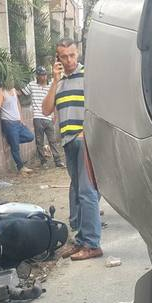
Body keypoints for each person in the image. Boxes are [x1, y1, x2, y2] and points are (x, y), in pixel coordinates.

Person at [42, 38, 103, 261]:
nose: (69, 60)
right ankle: (82, 240)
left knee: (87, 192)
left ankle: (92, 244)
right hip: (68, 141)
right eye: (64, 56)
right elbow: (46, 109)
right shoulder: (58, 81)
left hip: (84, 140)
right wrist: (55, 80)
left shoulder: (88, 76)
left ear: (78, 54)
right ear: (57, 58)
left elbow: (101, 105)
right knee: (78, 192)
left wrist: (87, 132)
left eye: (72, 55)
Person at [23, 67, 63, 169]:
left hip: (48, 117)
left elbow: (53, 101)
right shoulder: (32, 85)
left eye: (45, 74)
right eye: (41, 75)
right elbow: (22, 92)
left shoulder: (50, 86)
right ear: (37, 76)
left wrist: (54, 115)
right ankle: (43, 161)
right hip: (37, 117)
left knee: (52, 140)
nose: (44, 77)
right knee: (39, 141)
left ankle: (57, 161)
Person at [0, 78, 35, 174]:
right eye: (10, 80)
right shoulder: (1, 91)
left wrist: (21, 119)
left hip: (17, 122)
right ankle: (20, 167)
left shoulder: (14, 90)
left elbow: (18, 105)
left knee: (30, 136)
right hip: (9, 122)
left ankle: (11, 140)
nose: (12, 81)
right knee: (15, 147)